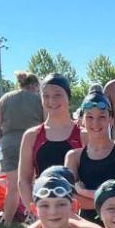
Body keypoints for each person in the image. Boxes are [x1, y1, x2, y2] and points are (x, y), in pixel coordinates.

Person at [17, 72, 82, 216]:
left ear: (68, 97)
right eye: (45, 96)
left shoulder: (83, 135)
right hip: (45, 212)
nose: (51, 100)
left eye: (57, 95)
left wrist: (75, 212)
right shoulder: (31, 136)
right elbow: (24, 181)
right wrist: (35, 211)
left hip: (77, 212)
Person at [66, 89, 115, 222]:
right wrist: (111, 203)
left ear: (111, 120)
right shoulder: (74, 157)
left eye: (102, 117)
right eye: (89, 117)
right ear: (81, 121)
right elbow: (69, 198)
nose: (95, 123)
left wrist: (84, 193)